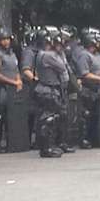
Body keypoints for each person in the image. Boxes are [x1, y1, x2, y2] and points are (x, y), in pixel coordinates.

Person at [34, 29, 69, 158]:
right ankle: (46, 148)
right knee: (48, 119)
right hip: (48, 89)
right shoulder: (49, 55)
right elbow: (62, 66)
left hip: (45, 89)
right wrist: (60, 52)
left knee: (48, 118)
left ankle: (48, 146)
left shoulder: (42, 53)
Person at [75, 31, 100, 149]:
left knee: (97, 115)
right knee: (87, 115)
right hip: (88, 89)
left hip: (99, 90)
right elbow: (85, 74)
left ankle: (95, 138)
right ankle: (85, 139)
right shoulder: (84, 55)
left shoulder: (97, 56)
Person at [0, 30, 22, 153]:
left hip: (13, 89)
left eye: (8, 39)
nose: (6, 42)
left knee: (11, 116)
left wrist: (19, 80)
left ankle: (11, 142)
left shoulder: (12, 54)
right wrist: (13, 82)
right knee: (0, 116)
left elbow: (16, 70)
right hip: (2, 89)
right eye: (3, 39)